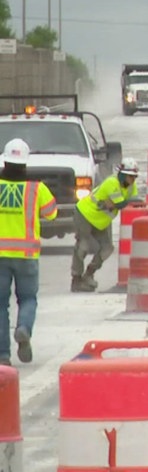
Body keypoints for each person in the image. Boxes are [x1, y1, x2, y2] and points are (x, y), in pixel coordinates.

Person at [0, 139, 57, 364]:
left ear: (5, 160)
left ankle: (3, 355)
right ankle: (23, 327)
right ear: (25, 162)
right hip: (26, 256)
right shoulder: (36, 188)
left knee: (0, 305)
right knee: (27, 299)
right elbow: (51, 213)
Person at [70, 158, 141, 292]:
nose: (132, 180)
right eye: (130, 177)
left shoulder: (132, 187)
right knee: (83, 245)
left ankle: (89, 274)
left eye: (134, 177)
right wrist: (123, 203)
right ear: (122, 175)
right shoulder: (111, 183)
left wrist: (121, 203)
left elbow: (134, 202)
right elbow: (122, 204)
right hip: (85, 214)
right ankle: (76, 279)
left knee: (107, 248)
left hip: (100, 222)